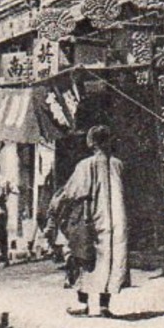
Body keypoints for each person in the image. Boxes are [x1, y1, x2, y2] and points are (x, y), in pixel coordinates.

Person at [54, 126, 129, 317]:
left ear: (91, 142)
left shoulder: (85, 165)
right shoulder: (118, 164)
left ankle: (83, 303)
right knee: (111, 259)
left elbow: (72, 192)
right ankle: (105, 305)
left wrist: (56, 205)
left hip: (92, 221)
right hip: (117, 221)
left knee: (83, 257)